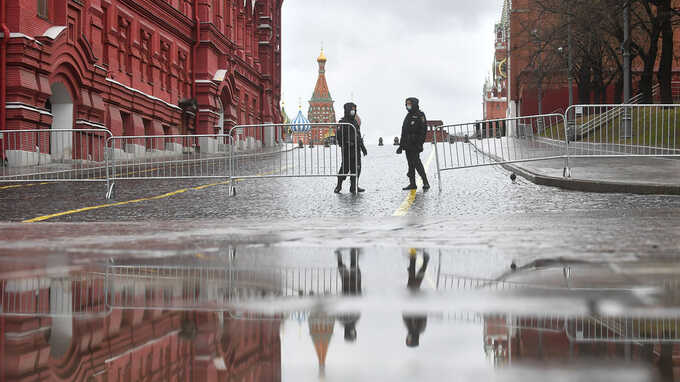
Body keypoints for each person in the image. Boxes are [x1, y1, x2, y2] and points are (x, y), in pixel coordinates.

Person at [396, 98, 430, 190]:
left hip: (415, 144)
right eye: (406, 104)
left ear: (414, 104)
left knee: (417, 163)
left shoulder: (420, 115)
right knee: (410, 164)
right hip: (407, 145)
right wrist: (401, 146)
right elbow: (404, 131)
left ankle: (425, 181)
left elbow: (423, 131)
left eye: (409, 104)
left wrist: (420, 143)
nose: (408, 106)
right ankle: (412, 183)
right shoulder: (408, 116)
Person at [335, 102, 367, 194]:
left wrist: (363, 147)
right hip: (347, 150)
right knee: (345, 168)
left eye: (354, 110)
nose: (353, 111)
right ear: (348, 110)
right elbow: (339, 136)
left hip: (356, 150)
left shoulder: (355, 122)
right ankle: (338, 185)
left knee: (357, 168)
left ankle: (354, 186)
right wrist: (345, 144)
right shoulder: (342, 122)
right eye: (352, 109)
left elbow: (358, 135)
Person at [403, 248, 430, 348]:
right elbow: (422, 315)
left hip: (411, 302)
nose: (407, 337)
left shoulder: (412, 329)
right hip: (416, 301)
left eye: (407, 339)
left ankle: (413, 259)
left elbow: (405, 316)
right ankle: (422, 261)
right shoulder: (418, 329)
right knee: (414, 282)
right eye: (408, 340)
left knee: (412, 280)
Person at [336, 248, 362, 342]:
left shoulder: (355, 319)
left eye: (353, 334)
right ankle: (339, 255)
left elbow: (358, 303)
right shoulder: (341, 320)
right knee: (344, 272)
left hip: (355, 288)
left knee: (354, 269)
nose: (354, 332)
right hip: (345, 289)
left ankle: (353, 252)